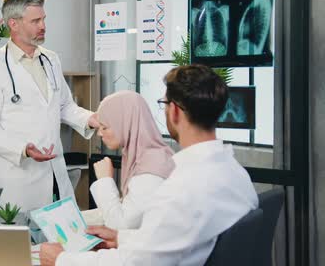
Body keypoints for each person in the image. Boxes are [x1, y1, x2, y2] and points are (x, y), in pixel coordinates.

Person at [40, 64, 259, 266]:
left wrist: (62, 259)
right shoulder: (232, 172)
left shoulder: (182, 188)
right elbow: (173, 238)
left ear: (173, 111)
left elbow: (135, 262)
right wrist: (121, 238)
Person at [0, 0, 99, 216]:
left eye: (43, 19)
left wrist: (91, 118)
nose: (43, 26)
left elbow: (64, 106)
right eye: (35, 21)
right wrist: (23, 149)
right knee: (23, 248)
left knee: (59, 243)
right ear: (13, 23)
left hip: (54, 172)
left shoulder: (51, 59)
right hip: (19, 180)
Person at [84, 90, 174, 229]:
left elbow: (121, 225)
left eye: (105, 127)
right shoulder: (143, 156)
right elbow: (128, 207)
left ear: (125, 124)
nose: (99, 133)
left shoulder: (151, 170)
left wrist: (104, 180)